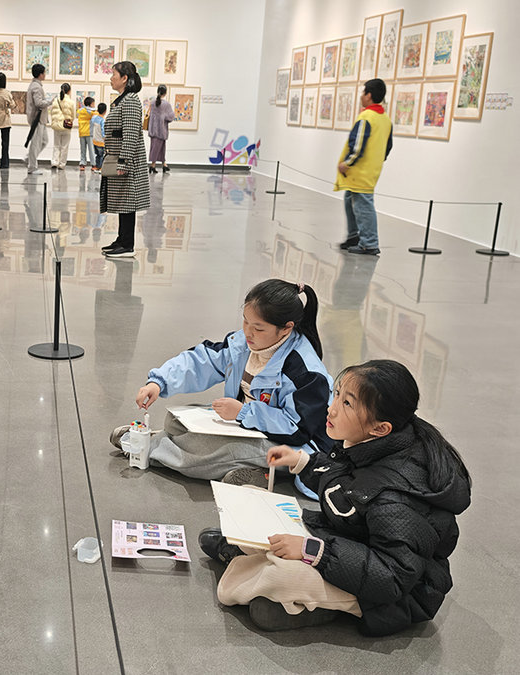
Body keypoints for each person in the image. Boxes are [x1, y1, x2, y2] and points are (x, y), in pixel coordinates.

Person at [200, 360, 471, 636]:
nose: (332, 408)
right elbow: (344, 483)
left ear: (380, 428)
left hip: (390, 596)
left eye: (347, 403)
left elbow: (393, 577)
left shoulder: (395, 498)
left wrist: (313, 551)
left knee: (282, 574)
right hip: (347, 541)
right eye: (337, 394)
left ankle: (279, 580)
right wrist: (301, 462)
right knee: (259, 502)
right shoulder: (371, 442)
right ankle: (264, 570)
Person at [112, 279, 332, 495]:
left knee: (212, 452)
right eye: (245, 321)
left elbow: (297, 429)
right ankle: (248, 469)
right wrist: (159, 382)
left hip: (291, 443)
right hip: (247, 424)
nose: (248, 332)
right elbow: (203, 361)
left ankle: (144, 447)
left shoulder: (306, 372)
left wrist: (243, 412)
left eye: (258, 328)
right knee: (175, 421)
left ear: (286, 329)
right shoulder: (244, 343)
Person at [334, 78, 393, 256]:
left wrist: (347, 163)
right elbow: (388, 146)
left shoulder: (366, 117)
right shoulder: (385, 119)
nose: (361, 96)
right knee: (349, 199)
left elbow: (357, 145)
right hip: (370, 169)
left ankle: (369, 243)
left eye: (363, 92)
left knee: (363, 206)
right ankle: (354, 236)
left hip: (360, 171)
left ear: (369, 95)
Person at [99, 61, 150, 258]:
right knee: (123, 201)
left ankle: (128, 245)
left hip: (127, 161)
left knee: (128, 202)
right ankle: (121, 239)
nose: (111, 78)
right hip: (118, 157)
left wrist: (124, 162)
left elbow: (130, 135)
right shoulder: (122, 100)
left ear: (124, 78)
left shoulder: (131, 101)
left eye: (114, 74)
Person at [25, 63, 51, 175]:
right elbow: (39, 103)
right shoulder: (36, 87)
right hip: (37, 119)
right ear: (40, 74)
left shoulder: (36, 85)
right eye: (44, 73)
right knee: (35, 143)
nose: (45, 74)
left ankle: (29, 158)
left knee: (44, 141)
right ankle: (32, 167)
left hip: (40, 119)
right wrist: (50, 102)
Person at [147, 84, 175, 173]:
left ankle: (163, 165)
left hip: (153, 130)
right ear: (165, 93)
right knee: (158, 148)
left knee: (157, 148)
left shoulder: (152, 103)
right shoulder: (166, 104)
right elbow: (171, 117)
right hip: (161, 130)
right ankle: (153, 166)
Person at [50, 83, 75, 170]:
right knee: (64, 146)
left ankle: (54, 162)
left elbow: (52, 113)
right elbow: (73, 116)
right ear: (69, 91)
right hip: (66, 126)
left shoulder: (55, 100)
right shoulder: (71, 102)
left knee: (56, 145)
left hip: (56, 126)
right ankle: (62, 164)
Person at [77, 96, 97, 171]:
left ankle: (82, 164)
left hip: (81, 132)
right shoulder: (92, 111)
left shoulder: (80, 111)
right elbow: (96, 114)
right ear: (91, 104)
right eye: (93, 103)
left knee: (82, 149)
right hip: (89, 132)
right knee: (91, 150)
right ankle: (93, 164)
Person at [91, 102, 106, 173]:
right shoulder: (103, 120)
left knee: (97, 155)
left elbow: (91, 120)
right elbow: (103, 131)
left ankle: (97, 167)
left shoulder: (94, 118)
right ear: (105, 111)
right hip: (101, 141)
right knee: (101, 155)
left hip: (95, 140)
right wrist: (105, 138)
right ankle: (101, 168)